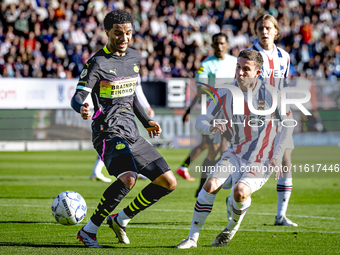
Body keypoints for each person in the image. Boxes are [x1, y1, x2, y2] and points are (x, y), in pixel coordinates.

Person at [71, 10, 177, 248]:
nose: (124, 37)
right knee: (129, 178)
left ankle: (121, 219)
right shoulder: (97, 62)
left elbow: (130, 97)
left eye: (128, 33)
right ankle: (89, 230)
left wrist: (146, 120)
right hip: (107, 132)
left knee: (168, 182)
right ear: (107, 32)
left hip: (132, 133)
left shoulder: (134, 58)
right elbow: (77, 97)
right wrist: (82, 108)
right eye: (118, 33)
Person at [175, 49, 294, 249]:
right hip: (235, 153)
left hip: (262, 158)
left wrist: (278, 153)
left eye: (245, 69)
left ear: (258, 73)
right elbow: (201, 120)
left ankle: (232, 225)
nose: (239, 73)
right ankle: (192, 239)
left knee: (240, 192)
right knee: (210, 185)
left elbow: (288, 125)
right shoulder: (224, 92)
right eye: (238, 67)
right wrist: (210, 126)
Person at [246, 14, 297, 227]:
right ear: (256, 31)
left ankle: (280, 215)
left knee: (286, 159)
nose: (264, 32)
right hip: (255, 116)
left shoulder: (284, 56)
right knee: (247, 162)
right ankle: (235, 201)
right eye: (260, 28)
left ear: (276, 31)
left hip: (280, 114)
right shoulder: (249, 54)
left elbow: (283, 84)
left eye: (268, 28)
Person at [177, 33, 237, 195]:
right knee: (213, 150)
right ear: (212, 45)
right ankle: (202, 187)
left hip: (233, 112)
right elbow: (201, 91)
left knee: (226, 151)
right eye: (216, 43)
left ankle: (217, 184)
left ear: (227, 44)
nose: (219, 46)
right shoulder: (206, 65)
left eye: (222, 43)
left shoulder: (235, 62)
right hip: (214, 112)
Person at [89, 81, 155, 183]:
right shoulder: (127, 68)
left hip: (125, 109)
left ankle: (97, 171)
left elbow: (135, 92)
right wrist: (147, 106)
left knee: (120, 141)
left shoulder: (130, 67)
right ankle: (138, 170)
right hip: (119, 111)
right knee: (119, 141)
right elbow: (137, 91)